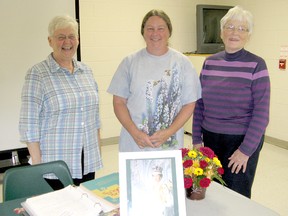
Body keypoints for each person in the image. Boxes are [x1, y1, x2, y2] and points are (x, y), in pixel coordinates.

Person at [192, 6, 270, 198]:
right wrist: (196, 140)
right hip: (210, 139)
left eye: (242, 28)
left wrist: (245, 151)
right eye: (230, 26)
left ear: (248, 35)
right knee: (210, 191)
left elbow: (261, 112)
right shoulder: (209, 62)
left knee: (237, 196)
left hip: (241, 141)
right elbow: (199, 104)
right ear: (221, 32)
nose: (235, 32)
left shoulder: (257, 64)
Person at [19, 15, 103, 188]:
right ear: (50, 41)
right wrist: (38, 165)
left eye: (71, 36)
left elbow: (94, 118)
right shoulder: (38, 74)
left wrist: (97, 154)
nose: (67, 42)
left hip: (87, 160)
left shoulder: (86, 71)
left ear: (78, 40)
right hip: (55, 165)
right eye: (61, 37)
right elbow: (29, 124)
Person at [107, 9, 201, 152]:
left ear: (169, 32)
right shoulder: (129, 62)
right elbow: (119, 102)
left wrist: (168, 132)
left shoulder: (183, 63)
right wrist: (135, 132)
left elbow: (189, 104)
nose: (155, 33)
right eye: (150, 29)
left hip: (170, 144)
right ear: (143, 32)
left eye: (161, 29)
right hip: (134, 144)